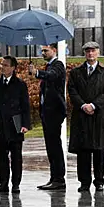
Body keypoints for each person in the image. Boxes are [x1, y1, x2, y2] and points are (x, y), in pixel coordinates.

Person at [68, 41, 104, 192]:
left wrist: (93, 105)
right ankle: (84, 182)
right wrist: (83, 106)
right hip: (81, 116)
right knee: (83, 151)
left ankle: (99, 181)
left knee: (99, 150)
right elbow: (72, 92)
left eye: (93, 51)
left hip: (99, 116)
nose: (90, 54)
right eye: (87, 51)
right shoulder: (76, 73)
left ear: (98, 52)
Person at [0, 56, 31, 195]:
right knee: (1, 157)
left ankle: (16, 183)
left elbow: (25, 106)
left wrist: (25, 124)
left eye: (6, 65)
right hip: (0, 126)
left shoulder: (20, 85)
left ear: (13, 68)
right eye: (2, 64)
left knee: (16, 157)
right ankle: (3, 183)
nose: (3, 67)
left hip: (15, 126)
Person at [28, 43, 67, 190]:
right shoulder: (49, 66)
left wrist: (37, 73)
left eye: (46, 50)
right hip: (47, 112)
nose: (43, 53)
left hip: (54, 112)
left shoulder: (58, 65)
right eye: (42, 50)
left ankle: (59, 178)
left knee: (55, 146)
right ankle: (54, 176)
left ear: (54, 50)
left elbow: (52, 76)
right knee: (51, 147)